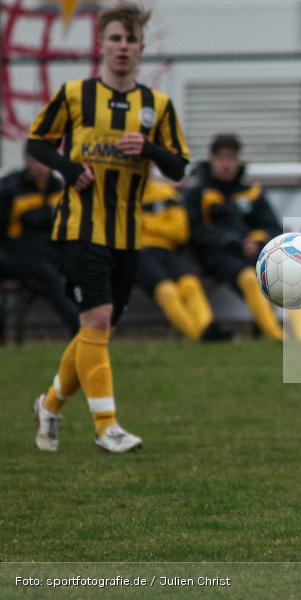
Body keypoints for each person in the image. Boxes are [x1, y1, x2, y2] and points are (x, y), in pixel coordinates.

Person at [27, 1, 190, 453]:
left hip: (127, 232)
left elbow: (178, 169)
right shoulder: (76, 94)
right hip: (80, 226)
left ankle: (50, 405)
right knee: (96, 320)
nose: (122, 47)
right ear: (102, 44)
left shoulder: (156, 106)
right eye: (115, 38)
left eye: (130, 39)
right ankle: (107, 426)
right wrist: (66, 167)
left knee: (95, 332)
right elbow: (37, 142)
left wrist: (152, 150)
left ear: (141, 48)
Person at [186, 133, 301, 341]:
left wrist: (258, 239)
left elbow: (271, 226)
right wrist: (234, 242)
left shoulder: (251, 191)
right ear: (211, 160)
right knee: (249, 278)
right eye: (221, 158)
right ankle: (277, 337)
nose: (227, 165)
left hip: (253, 251)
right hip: (217, 256)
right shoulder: (198, 193)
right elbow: (196, 232)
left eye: (231, 158)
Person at [136, 175, 232, 342]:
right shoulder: (119, 192)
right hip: (137, 254)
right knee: (167, 291)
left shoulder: (165, 192)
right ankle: (199, 336)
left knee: (190, 284)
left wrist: (146, 223)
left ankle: (208, 328)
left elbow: (180, 232)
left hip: (167, 250)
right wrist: (161, 224)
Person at [0, 153, 80, 336]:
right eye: (36, 162)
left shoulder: (60, 189)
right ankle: (79, 328)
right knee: (48, 276)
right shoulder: (11, 190)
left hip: (51, 254)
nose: (40, 167)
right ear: (27, 162)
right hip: (19, 255)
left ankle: (91, 327)